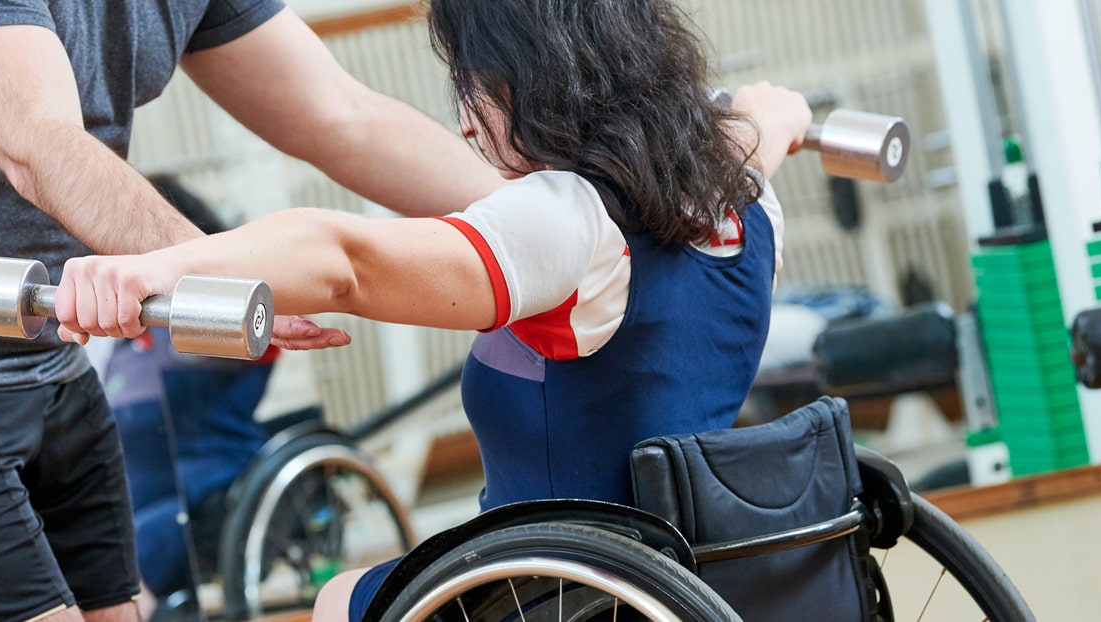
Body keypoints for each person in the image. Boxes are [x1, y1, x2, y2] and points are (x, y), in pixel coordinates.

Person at [49, 1, 814, 619]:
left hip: (556, 591)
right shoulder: (748, 206)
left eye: (471, 88)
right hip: (695, 569)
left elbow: (346, 261)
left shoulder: (571, 220)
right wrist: (767, 115)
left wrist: (153, 266)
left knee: (342, 597)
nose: (466, 126)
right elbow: (756, 136)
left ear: (532, 80)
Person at [0, 0, 506, 619]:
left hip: (46, 348)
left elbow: (341, 115)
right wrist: (216, 275)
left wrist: (568, 217)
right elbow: (37, 143)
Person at [103, 177, 274, 605]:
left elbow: (269, 326)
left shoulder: (222, 317)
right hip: (130, 507)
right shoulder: (123, 340)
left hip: (208, 494)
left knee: (118, 569)